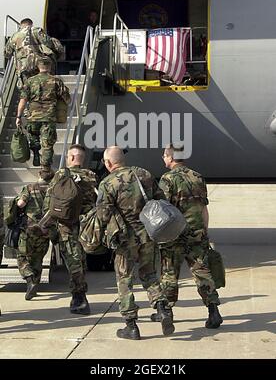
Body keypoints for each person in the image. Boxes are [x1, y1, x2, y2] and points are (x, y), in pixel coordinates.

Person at [96, 146, 175, 340]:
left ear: (108, 163)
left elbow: (103, 215)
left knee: (125, 280)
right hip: (148, 234)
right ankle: (162, 309)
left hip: (125, 240)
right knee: (149, 274)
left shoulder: (108, 183)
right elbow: (161, 199)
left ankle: (131, 325)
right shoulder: (143, 174)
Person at [155, 142, 223, 329]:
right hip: (197, 233)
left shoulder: (167, 179)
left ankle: (167, 312)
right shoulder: (197, 177)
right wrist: (205, 232)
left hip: (173, 235)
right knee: (202, 272)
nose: (163, 158)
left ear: (170, 157)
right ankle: (213, 310)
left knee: (169, 273)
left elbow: (163, 210)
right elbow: (203, 209)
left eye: (164, 155)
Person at [43, 144, 98, 315]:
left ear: (72, 158)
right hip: (86, 225)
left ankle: (79, 297)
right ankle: (80, 293)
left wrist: (47, 226)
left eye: (68, 157)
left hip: (66, 226)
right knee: (81, 260)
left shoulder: (60, 175)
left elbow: (50, 203)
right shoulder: (91, 176)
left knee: (73, 262)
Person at [15, 58, 71, 180]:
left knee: (34, 137)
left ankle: (35, 152)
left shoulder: (30, 81)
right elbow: (67, 98)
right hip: (48, 117)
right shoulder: (56, 81)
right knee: (47, 145)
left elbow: (23, 101)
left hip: (32, 117)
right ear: (50, 67)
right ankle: (45, 170)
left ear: (38, 67)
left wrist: (18, 117)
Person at [16, 178, 53, 300]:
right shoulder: (53, 190)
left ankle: (29, 279)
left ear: (39, 175)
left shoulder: (30, 187)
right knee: (37, 259)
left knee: (22, 256)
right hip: (44, 231)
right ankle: (34, 287)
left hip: (29, 230)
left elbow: (20, 204)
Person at [4, 18, 59, 89]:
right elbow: (48, 43)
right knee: (40, 86)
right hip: (37, 64)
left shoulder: (14, 35)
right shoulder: (36, 30)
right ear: (31, 24)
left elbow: (7, 53)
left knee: (27, 88)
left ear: (21, 25)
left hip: (22, 66)